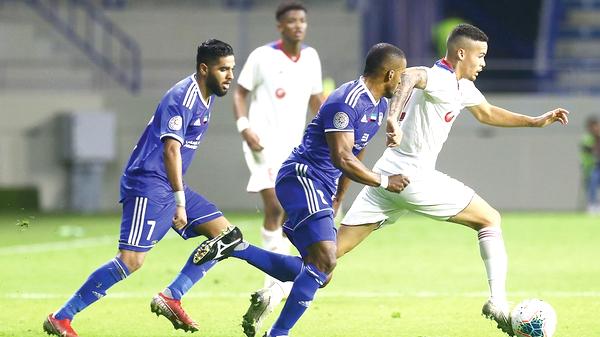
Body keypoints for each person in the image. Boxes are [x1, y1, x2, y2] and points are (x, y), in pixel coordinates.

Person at [333, 23, 569, 337]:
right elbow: (410, 76)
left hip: (387, 177)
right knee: (489, 220)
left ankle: (274, 290)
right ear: (461, 53)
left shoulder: (462, 87)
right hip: (414, 179)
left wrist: (534, 121)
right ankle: (497, 302)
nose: (483, 63)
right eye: (480, 55)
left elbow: (486, 113)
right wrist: (393, 115)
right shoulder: (440, 77)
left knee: (331, 252)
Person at [42, 39, 243, 337]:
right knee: (131, 261)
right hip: (148, 183)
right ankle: (61, 317)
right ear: (204, 69)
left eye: (232, 69)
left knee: (225, 236)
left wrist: (178, 196)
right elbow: (171, 151)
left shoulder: (207, 96)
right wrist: (180, 202)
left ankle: (172, 296)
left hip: (169, 185)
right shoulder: (183, 97)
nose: (230, 75)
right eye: (223, 69)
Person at [233, 0, 323, 326]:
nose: (298, 25)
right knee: (274, 207)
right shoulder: (262, 56)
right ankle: (273, 285)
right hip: (262, 144)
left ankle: (277, 282)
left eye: (302, 20)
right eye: (292, 21)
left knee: (287, 211)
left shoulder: (311, 58)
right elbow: (240, 93)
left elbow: (316, 99)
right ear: (280, 26)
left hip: (293, 148)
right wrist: (245, 127)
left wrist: (331, 127)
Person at [581, 116, 600, 214]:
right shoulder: (587, 138)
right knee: (593, 181)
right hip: (590, 167)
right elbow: (592, 150)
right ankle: (592, 205)